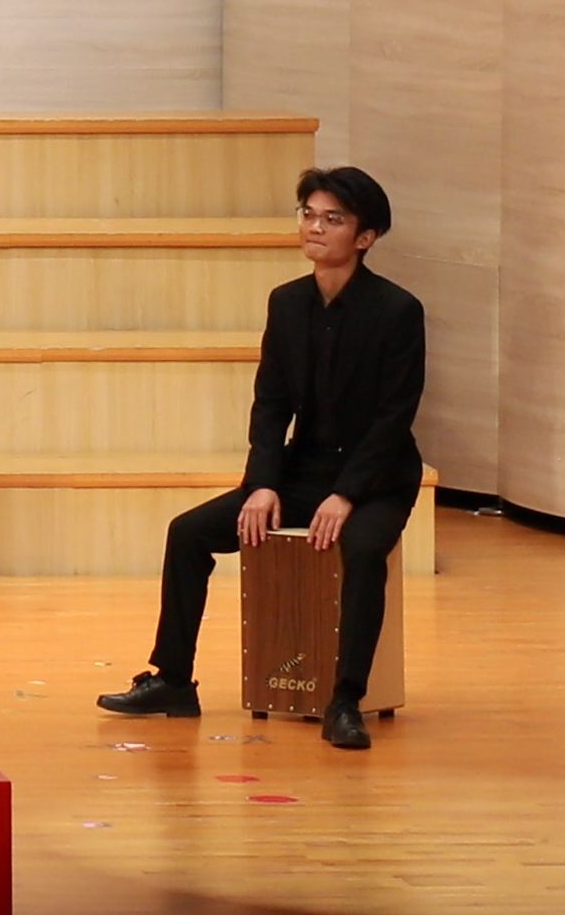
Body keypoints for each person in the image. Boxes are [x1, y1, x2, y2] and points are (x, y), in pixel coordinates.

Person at [101, 165, 427, 750]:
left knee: (361, 549)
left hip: (377, 477)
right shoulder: (287, 303)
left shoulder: (397, 310)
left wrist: (346, 494)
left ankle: (344, 700)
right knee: (189, 532)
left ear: (366, 236)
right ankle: (173, 679)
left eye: (333, 219)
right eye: (308, 214)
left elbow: (393, 417)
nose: (315, 227)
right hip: (304, 470)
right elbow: (271, 404)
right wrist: (263, 484)